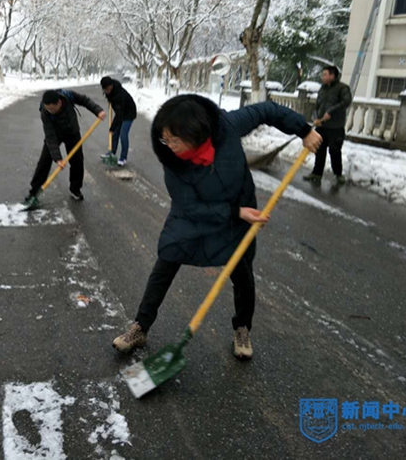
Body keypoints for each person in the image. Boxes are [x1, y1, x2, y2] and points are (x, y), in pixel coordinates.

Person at [112, 95, 322, 359]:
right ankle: (140, 327)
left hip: (239, 210)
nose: (169, 145)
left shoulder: (227, 126)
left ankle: (242, 327)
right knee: (166, 260)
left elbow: (267, 110)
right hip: (197, 213)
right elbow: (189, 207)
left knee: (241, 269)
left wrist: (303, 130)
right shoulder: (173, 163)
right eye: (166, 139)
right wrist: (233, 212)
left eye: (175, 139)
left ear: (195, 133)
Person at [26, 89, 105, 202]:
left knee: (77, 161)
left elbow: (84, 100)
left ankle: (75, 189)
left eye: (52, 109)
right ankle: (34, 192)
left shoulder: (68, 96)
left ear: (59, 102)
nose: (50, 111)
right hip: (55, 134)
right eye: (48, 109)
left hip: (72, 132)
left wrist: (98, 111)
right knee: (44, 161)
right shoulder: (45, 111)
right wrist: (57, 158)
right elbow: (50, 136)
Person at [304, 66, 352, 185]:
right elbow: (317, 105)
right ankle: (316, 173)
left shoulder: (343, 88)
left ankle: (338, 174)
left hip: (335, 127)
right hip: (321, 127)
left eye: (324, 74)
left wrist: (331, 112)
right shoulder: (322, 89)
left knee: (334, 151)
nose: (322, 77)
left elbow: (346, 102)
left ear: (332, 75)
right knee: (319, 150)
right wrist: (315, 116)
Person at [100, 76, 137, 167]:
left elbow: (120, 115)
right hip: (121, 112)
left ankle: (123, 158)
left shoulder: (119, 94)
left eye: (108, 89)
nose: (107, 91)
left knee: (123, 134)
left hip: (129, 113)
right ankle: (112, 152)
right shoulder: (111, 92)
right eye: (105, 89)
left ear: (111, 85)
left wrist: (112, 127)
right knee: (115, 133)